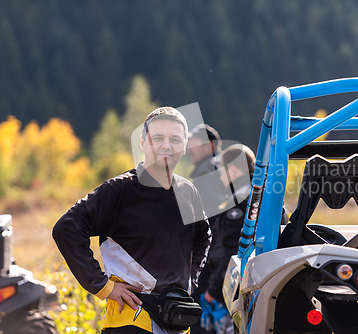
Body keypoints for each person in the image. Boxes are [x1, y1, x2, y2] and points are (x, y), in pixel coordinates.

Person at [52, 107, 212, 334]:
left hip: (175, 317)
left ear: (184, 146)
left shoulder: (188, 191)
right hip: (130, 318)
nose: (166, 145)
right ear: (143, 143)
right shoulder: (119, 190)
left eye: (175, 139)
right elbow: (66, 228)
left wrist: (189, 283)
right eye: (158, 138)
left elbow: (203, 238)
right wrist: (103, 287)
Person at [200, 144, 256, 334]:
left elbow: (234, 251)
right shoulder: (260, 194)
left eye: (221, 170)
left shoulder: (242, 200)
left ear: (232, 169)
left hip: (237, 291)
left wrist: (214, 290)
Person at [186, 124, 227, 334]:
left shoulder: (207, 170)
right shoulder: (224, 168)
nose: (189, 149)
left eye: (194, 144)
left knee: (204, 324)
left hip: (211, 261)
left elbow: (206, 219)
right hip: (225, 260)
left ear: (210, 146)